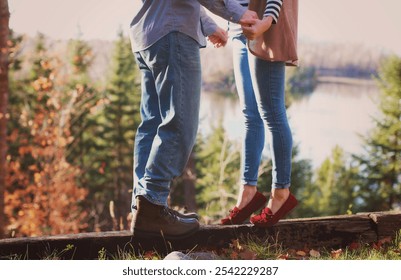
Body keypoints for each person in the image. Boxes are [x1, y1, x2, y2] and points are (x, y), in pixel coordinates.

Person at [129, 0, 258, 239]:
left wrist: (207, 25)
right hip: (173, 32)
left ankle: (142, 208)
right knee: (180, 124)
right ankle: (152, 205)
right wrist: (237, 13)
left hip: (147, 33)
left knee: (152, 125)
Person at [221, 0, 299, 227]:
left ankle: (281, 192)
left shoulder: (266, 23)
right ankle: (248, 191)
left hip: (265, 29)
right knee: (250, 116)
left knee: (273, 114)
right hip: (238, 29)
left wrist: (267, 21)